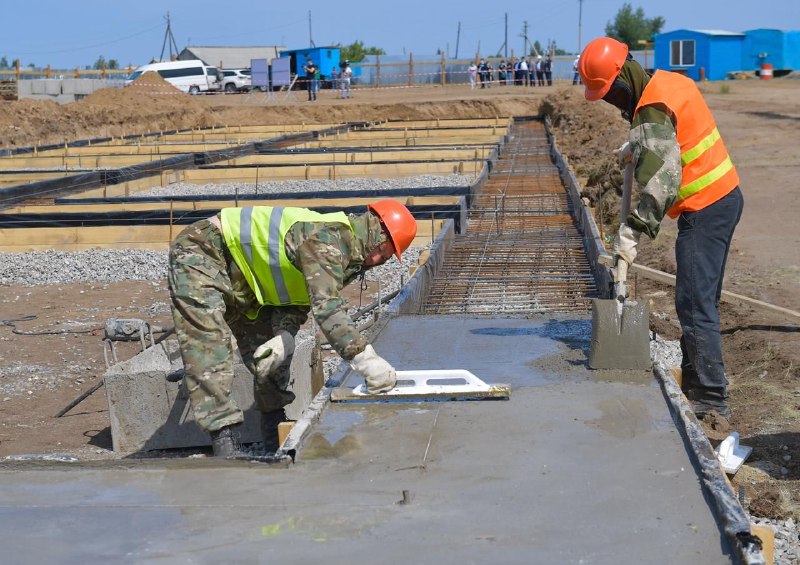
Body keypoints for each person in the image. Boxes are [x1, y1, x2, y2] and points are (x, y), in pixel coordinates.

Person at [168, 201, 418, 459]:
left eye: (386, 258)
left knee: (269, 360)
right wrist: (366, 358)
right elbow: (327, 308)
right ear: (376, 231)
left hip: (247, 282)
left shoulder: (349, 258)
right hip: (204, 250)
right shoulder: (329, 240)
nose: (378, 259)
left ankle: (273, 436)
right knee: (209, 344)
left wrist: (285, 335)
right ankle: (225, 446)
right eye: (382, 250)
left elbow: (297, 297)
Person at [579, 37, 744, 419]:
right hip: (725, 196)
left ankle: (709, 399)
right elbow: (673, 132)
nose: (611, 102)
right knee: (701, 298)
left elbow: (661, 185)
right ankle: (696, 378)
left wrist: (630, 235)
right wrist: (637, 143)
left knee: (692, 302)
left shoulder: (650, 110)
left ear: (623, 79)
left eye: (610, 94)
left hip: (705, 208)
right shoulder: (668, 82)